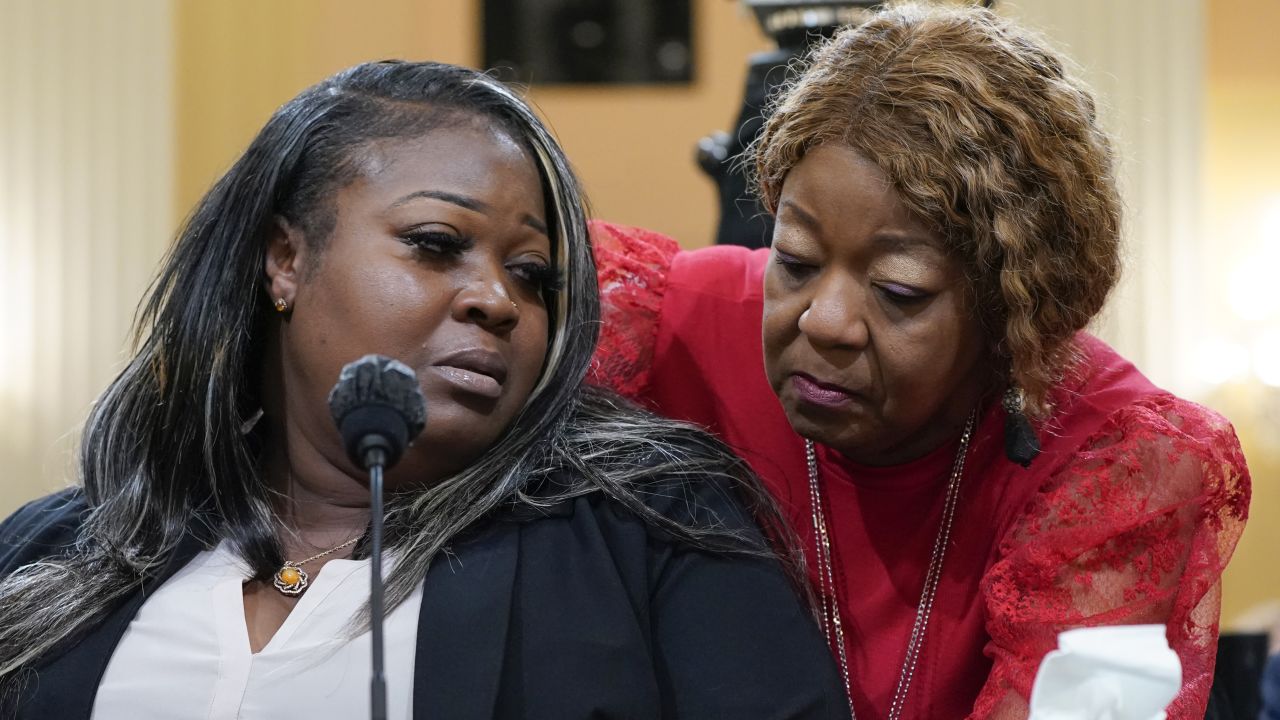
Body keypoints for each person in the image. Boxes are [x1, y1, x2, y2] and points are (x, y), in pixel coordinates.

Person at [0, 61, 851, 719]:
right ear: (285, 260)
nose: (498, 301)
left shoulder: (651, 530)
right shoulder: (53, 555)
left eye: (532, 277)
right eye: (436, 244)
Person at [588, 4, 1251, 718]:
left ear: (1012, 313)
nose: (825, 321)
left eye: (899, 290)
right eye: (796, 260)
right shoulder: (667, 327)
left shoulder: (1110, 459)